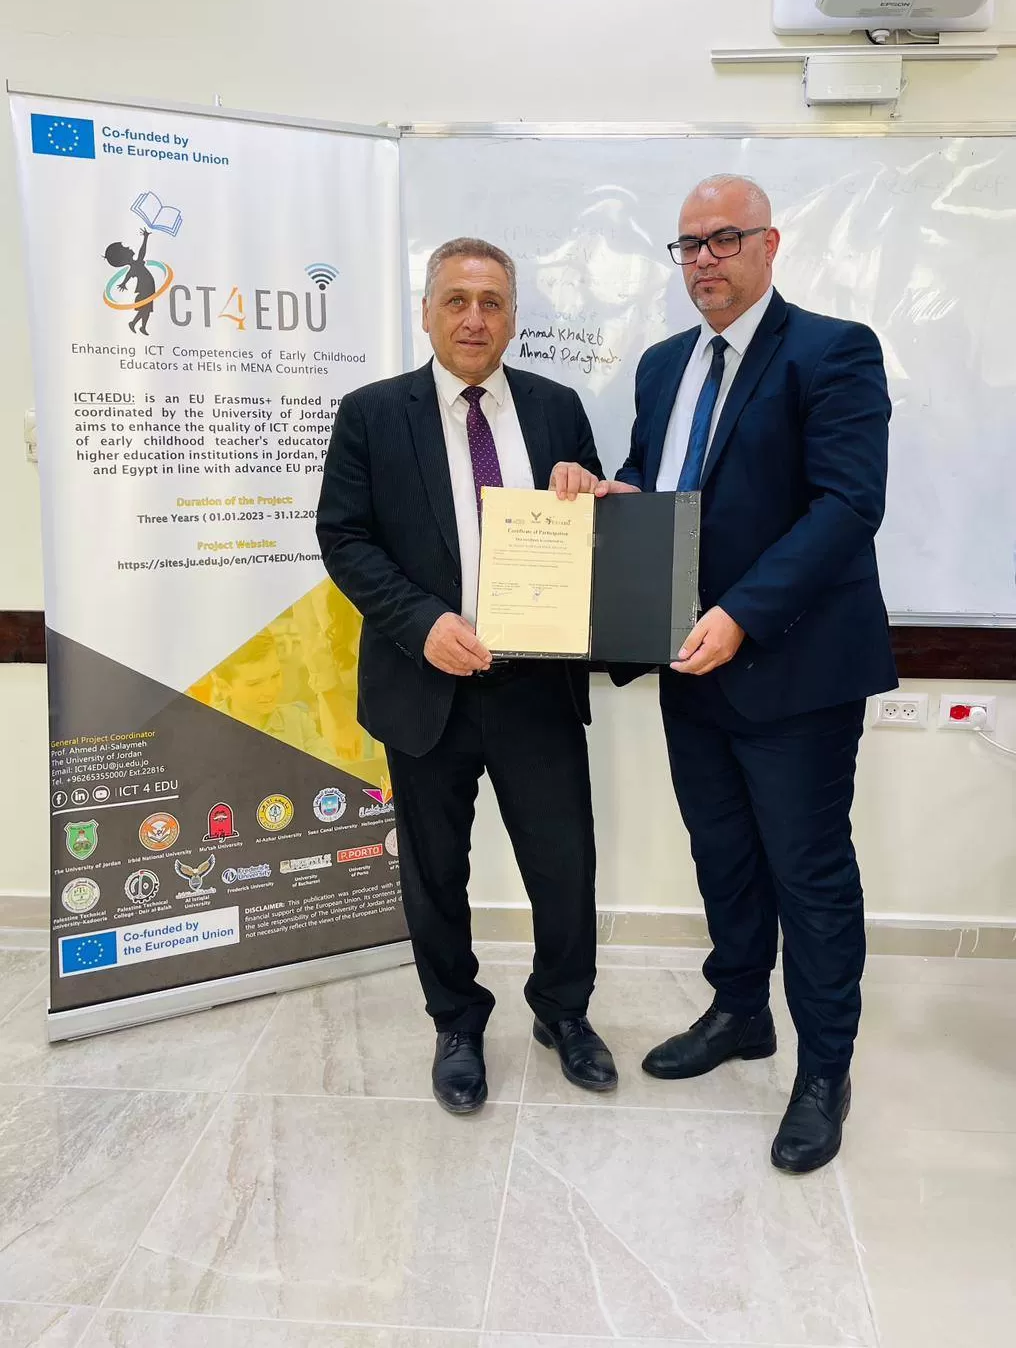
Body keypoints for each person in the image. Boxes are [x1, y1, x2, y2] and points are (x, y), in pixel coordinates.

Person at [551, 175, 896, 1173]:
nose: (702, 258)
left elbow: (846, 505)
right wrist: (601, 493)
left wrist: (741, 614)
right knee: (724, 857)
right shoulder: (664, 365)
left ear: (768, 244)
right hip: (688, 665)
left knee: (808, 874)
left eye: (723, 238)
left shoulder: (832, 351)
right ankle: (741, 1011)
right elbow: (657, 486)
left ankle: (824, 1071)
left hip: (795, 672)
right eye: (688, 244)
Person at [317, 236, 617, 1114]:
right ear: (427, 313)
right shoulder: (372, 413)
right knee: (435, 874)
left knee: (564, 866)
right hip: (426, 689)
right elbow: (344, 538)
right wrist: (422, 625)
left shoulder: (558, 408)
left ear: (513, 317)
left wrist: (591, 494)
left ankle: (563, 1011)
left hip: (536, 687)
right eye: (456, 300)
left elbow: (597, 540)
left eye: (491, 302)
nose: (474, 318)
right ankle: (456, 1021)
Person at [212, 632, 331, 759]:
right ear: (223, 686)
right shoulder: (207, 732)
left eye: (275, 675)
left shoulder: (297, 720)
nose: (270, 690)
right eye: (255, 683)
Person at [105, 227, 156, 335]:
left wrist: (124, 283)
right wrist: (145, 238)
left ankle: (142, 327)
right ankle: (133, 323)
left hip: (149, 289)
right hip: (145, 290)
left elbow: (128, 275)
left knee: (147, 309)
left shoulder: (135, 265)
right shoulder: (135, 265)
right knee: (145, 309)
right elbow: (142, 252)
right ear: (123, 257)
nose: (128, 247)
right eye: (125, 248)